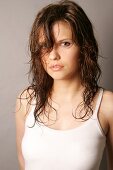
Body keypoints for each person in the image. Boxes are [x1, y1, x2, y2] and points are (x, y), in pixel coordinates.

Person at [15, 0, 113, 170]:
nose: (53, 55)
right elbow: (22, 162)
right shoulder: (26, 99)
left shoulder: (107, 105)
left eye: (65, 43)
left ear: (84, 47)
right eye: (45, 45)